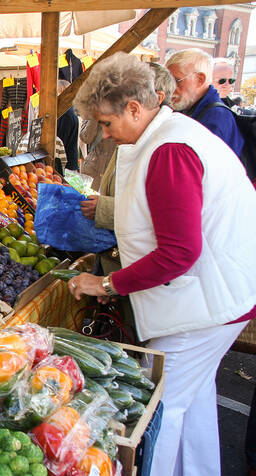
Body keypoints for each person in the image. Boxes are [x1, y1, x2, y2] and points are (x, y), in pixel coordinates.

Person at [69, 52, 256, 476]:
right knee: (193, 399)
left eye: (106, 122)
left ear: (134, 108)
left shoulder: (171, 151)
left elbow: (179, 252)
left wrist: (107, 284)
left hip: (202, 306)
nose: (105, 133)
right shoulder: (165, 135)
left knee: (159, 413)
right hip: (217, 297)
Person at [81, 62, 176, 232]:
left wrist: (105, 208)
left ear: (157, 98)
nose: (106, 135)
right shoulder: (133, 141)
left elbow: (167, 222)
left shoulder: (169, 149)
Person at [166, 48, 244, 157]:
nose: (170, 88)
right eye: (168, 81)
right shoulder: (190, 108)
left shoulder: (216, 118)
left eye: (176, 81)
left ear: (200, 79)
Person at [56, 80, 80, 171]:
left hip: (66, 165)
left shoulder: (65, 113)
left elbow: (61, 140)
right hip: (68, 162)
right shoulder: (69, 111)